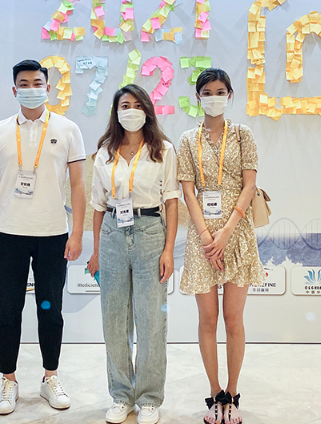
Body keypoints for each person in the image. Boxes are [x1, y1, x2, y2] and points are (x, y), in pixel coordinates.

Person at [0, 60, 86, 416]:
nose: (31, 89)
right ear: (14, 90)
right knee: (8, 311)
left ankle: (50, 377)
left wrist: (77, 233)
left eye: (38, 83)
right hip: (9, 234)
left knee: (50, 311)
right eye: (24, 84)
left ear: (48, 88)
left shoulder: (67, 129)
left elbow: (78, 185)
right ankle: (8, 380)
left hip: (53, 235)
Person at [177, 68, 264, 424]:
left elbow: (249, 185)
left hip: (237, 233)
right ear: (198, 97)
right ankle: (215, 394)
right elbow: (187, 190)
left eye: (220, 91)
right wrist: (205, 235)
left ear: (229, 95)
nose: (214, 97)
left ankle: (233, 392)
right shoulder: (187, 139)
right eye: (207, 92)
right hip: (202, 239)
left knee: (233, 319)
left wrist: (226, 232)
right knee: (208, 320)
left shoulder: (243, 135)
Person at [87, 84, 178, 424]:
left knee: (151, 319)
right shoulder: (105, 151)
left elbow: (171, 201)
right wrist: (96, 251)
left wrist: (168, 249)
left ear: (147, 111)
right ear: (116, 111)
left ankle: (150, 398)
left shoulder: (163, 150)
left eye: (138, 105)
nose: (131, 111)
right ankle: (121, 396)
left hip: (150, 231)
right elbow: (98, 205)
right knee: (114, 320)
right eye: (125, 105)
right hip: (112, 232)